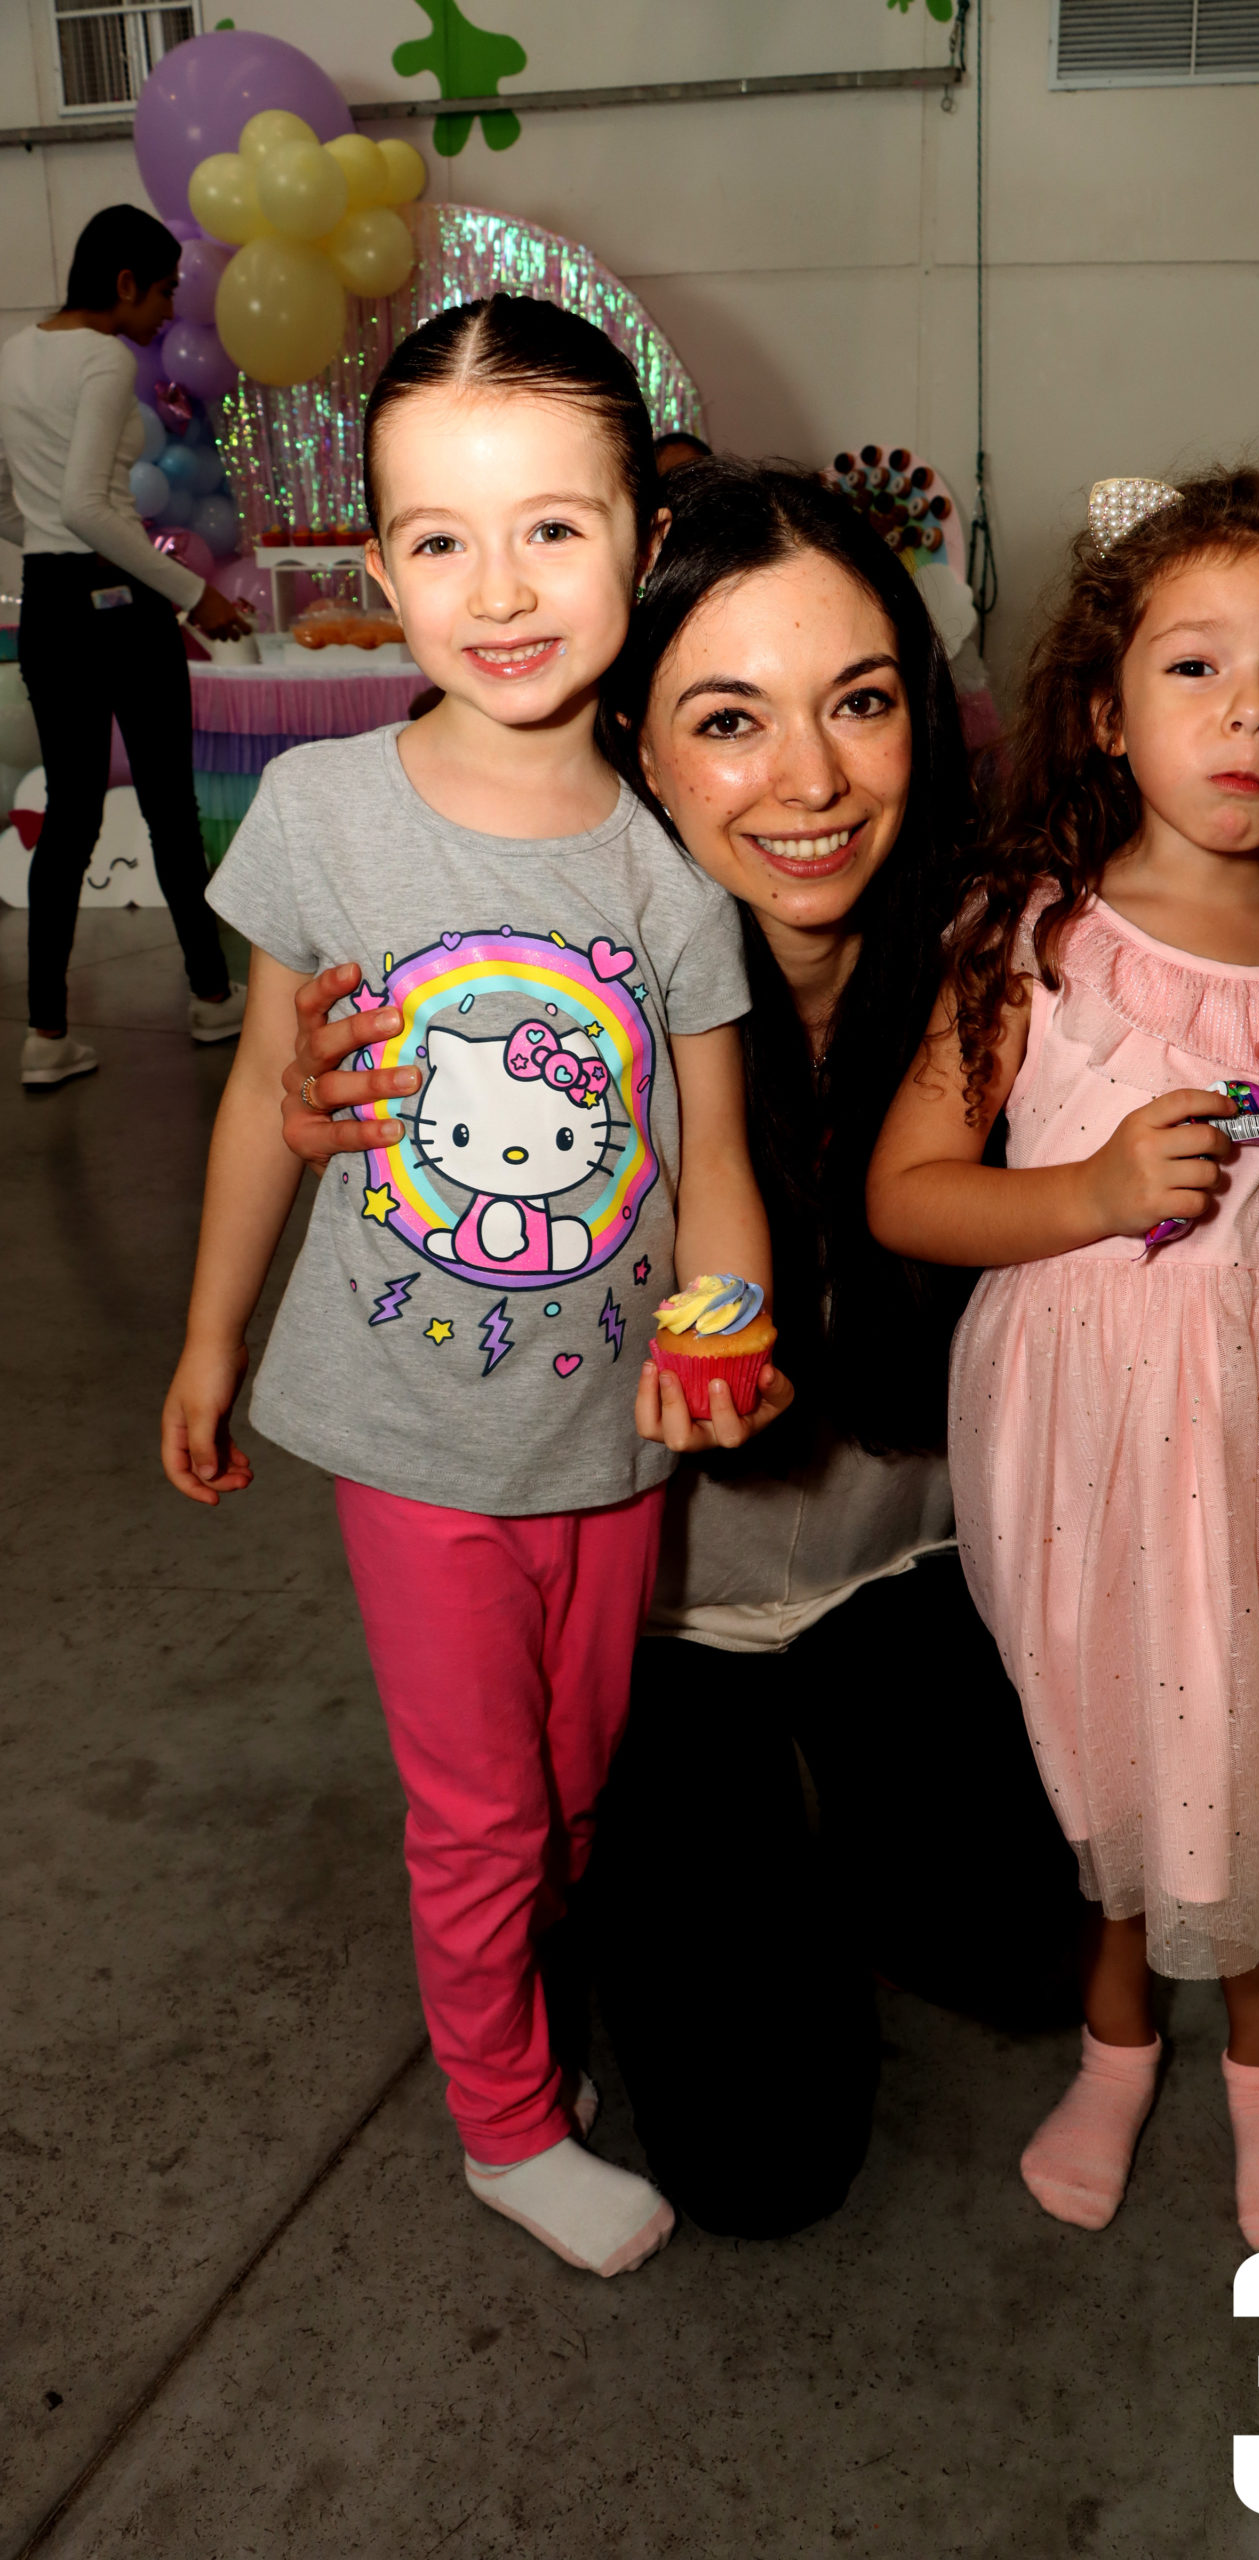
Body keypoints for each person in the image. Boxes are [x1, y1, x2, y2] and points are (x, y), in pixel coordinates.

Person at [276, 460, 1259, 2243]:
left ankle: (845, 1813)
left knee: (1051, 1953)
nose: (807, 783)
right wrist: (329, 1099)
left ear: (921, 719)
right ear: (630, 734)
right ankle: (599, 1881)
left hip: (930, 1572)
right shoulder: (537, 1007)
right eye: (729, 719)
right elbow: (389, 1169)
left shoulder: (1023, 953)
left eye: (858, 704)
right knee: (758, 2164)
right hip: (655, 1623)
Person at [159, 296, 790, 2283]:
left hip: (613, 1440)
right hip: (408, 1428)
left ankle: (528, 1977)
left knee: (573, 1778)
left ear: (640, 538)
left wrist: (719, 1341)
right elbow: (274, 1090)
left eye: (550, 528)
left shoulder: (678, 863)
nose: (494, 587)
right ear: (376, 563)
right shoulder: (329, 820)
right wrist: (207, 1335)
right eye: (437, 537)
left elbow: (711, 1168)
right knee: (481, 1807)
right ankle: (502, 2120)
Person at [868, 465, 1259, 2254]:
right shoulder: (1037, 940)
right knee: (1120, 1764)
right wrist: (1078, 1188)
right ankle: (1111, 2041)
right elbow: (912, 1196)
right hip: (1073, 1443)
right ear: (1102, 705)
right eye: (1194, 668)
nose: (1246, 712)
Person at [0, 204, 251, 1088]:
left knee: (68, 815)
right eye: (165, 294)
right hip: (117, 601)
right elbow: (86, 507)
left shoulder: (14, 353)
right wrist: (195, 596)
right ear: (123, 284)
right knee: (167, 805)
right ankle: (213, 996)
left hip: (51, 605)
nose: (167, 315)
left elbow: (21, 502)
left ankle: (45, 1033)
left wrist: (36, 540)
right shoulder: (106, 358)